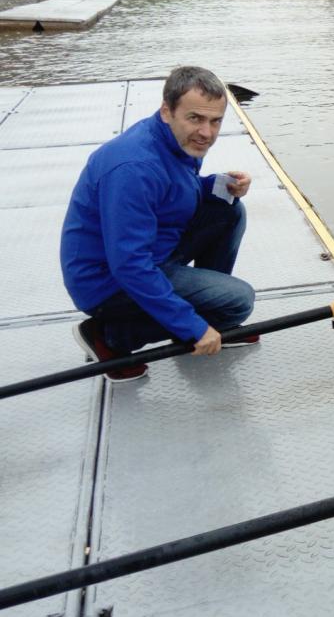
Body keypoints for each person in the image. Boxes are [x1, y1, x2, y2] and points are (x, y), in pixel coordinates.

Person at [61, 66, 256, 383]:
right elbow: (129, 264)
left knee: (228, 210)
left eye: (215, 121)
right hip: (107, 281)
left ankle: (207, 312)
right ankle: (111, 336)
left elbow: (170, 188)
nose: (207, 132)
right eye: (195, 118)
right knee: (239, 301)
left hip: (146, 252)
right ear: (167, 111)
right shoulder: (133, 168)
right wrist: (191, 325)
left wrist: (218, 185)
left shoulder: (175, 140)